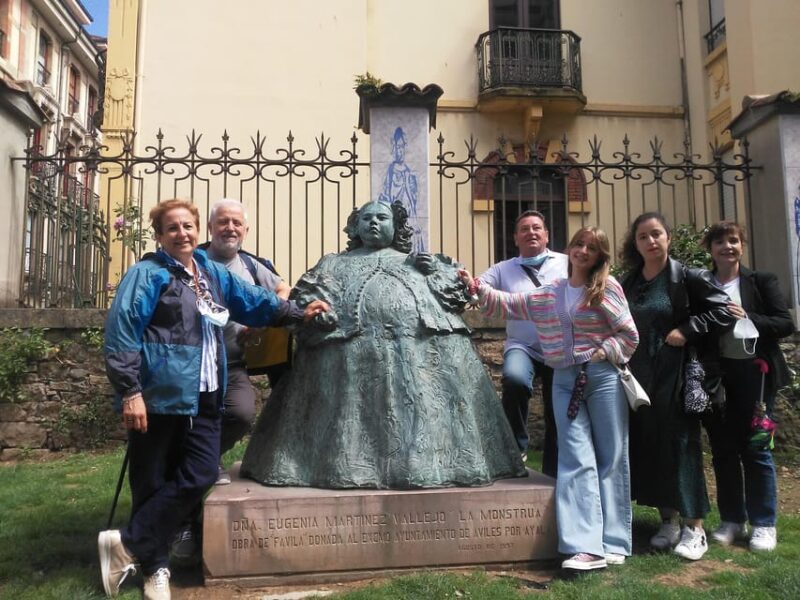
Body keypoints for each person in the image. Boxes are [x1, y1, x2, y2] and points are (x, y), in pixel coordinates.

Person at [98, 199, 328, 599]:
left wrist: (297, 313)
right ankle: (155, 569)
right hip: (160, 395)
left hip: (207, 392)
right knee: (152, 480)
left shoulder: (211, 273)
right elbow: (121, 335)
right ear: (159, 235)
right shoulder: (147, 274)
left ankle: (127, 543)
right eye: (173, 228)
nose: (182, 233)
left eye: (187, 226)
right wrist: (130, 391)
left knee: (202, 473)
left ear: (195, 229)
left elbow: (256, 300)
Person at [240, 200, 526, 489]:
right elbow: (309, 293)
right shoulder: (334, 262)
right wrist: (319, 308)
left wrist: (438, 273)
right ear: (355, 226)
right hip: (347, 350)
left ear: (396, 226)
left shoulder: (417, 261)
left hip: (421, 350)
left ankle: (433, 462)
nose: (373, 223)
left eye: (381, 218)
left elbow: (457, 293)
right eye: (366, 218)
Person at [462, 226, 639, 571]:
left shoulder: (607, 288)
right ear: (569, 249)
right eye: (578, 244)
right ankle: (584, 546)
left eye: (591, 247)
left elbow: (629, 335)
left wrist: (603, 353)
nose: (583, 251)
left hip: (602, 377)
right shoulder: (550, 293)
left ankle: (615, 540)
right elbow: (506, 303)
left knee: (611, 457)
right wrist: (476, 286)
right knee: (574, 458)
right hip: (564, 379)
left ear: (600, 255)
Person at [170, 198, 293, 563]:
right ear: (210, 227)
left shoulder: (253, 265)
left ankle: (201, 462)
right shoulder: (194, 261)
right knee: (188, 431)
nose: (231, 228)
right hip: (191, 368)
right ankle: (189, 496)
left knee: (240, 414)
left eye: (237, 223)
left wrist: (261, 323)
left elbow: (283, 291)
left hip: (233, 365)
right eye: (223, 222)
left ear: (246, 230)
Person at [619, 212, 734, 561]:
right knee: (650, 444)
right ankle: (667, 519)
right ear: (635, 244)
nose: (651, 241)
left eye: (656, 234)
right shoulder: (630, 282)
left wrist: (688, 329)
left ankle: (694, 527)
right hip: (639, 377)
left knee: (682, 444)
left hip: (676, 374)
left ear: (668, 237)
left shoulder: (688, 277)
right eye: (643, 237)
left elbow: (725, 311)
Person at [701, 221, 792, 552]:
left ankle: (764, 524)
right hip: (717, 377)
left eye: (734, 241)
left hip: (757, 376)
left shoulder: (760, 282)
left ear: (742, 246)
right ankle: (732, 521)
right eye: (720, 242)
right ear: (710, 249)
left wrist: (748, 316)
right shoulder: (702, 282)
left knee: (756, 448)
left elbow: (785, 323)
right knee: (723, 450)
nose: (728, 247)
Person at [479, 210, 568, 474]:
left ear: (547, 234)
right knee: (514, 380)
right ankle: (517, 448)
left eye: (537, 227)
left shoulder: (565, 263)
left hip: (560, 348)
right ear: (515, 237)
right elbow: (479, 288)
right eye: (525, 229)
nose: (531, 232)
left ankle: (554, 469)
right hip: (522, 346)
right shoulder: (503, 269)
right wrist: (465, 281)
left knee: (557, 407)